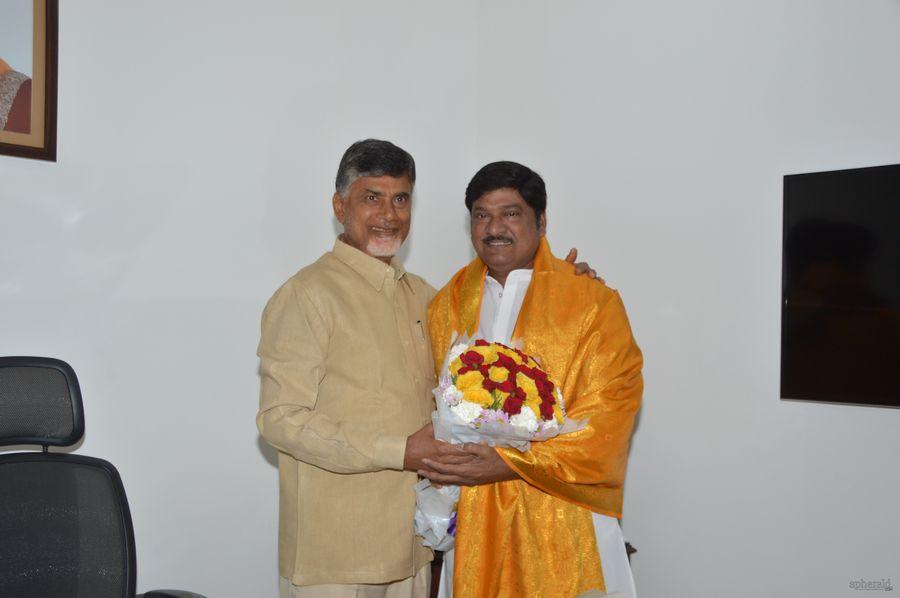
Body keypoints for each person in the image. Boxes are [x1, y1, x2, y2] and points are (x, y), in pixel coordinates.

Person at [423, 161, 643, 598]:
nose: (494, 227)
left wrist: (509, 464)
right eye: (482, 215)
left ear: (541, 222)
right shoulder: (445, 304)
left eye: (511, 213)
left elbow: (611, 412)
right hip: (474, 515)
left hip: (563, 513)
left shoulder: (590, 301)